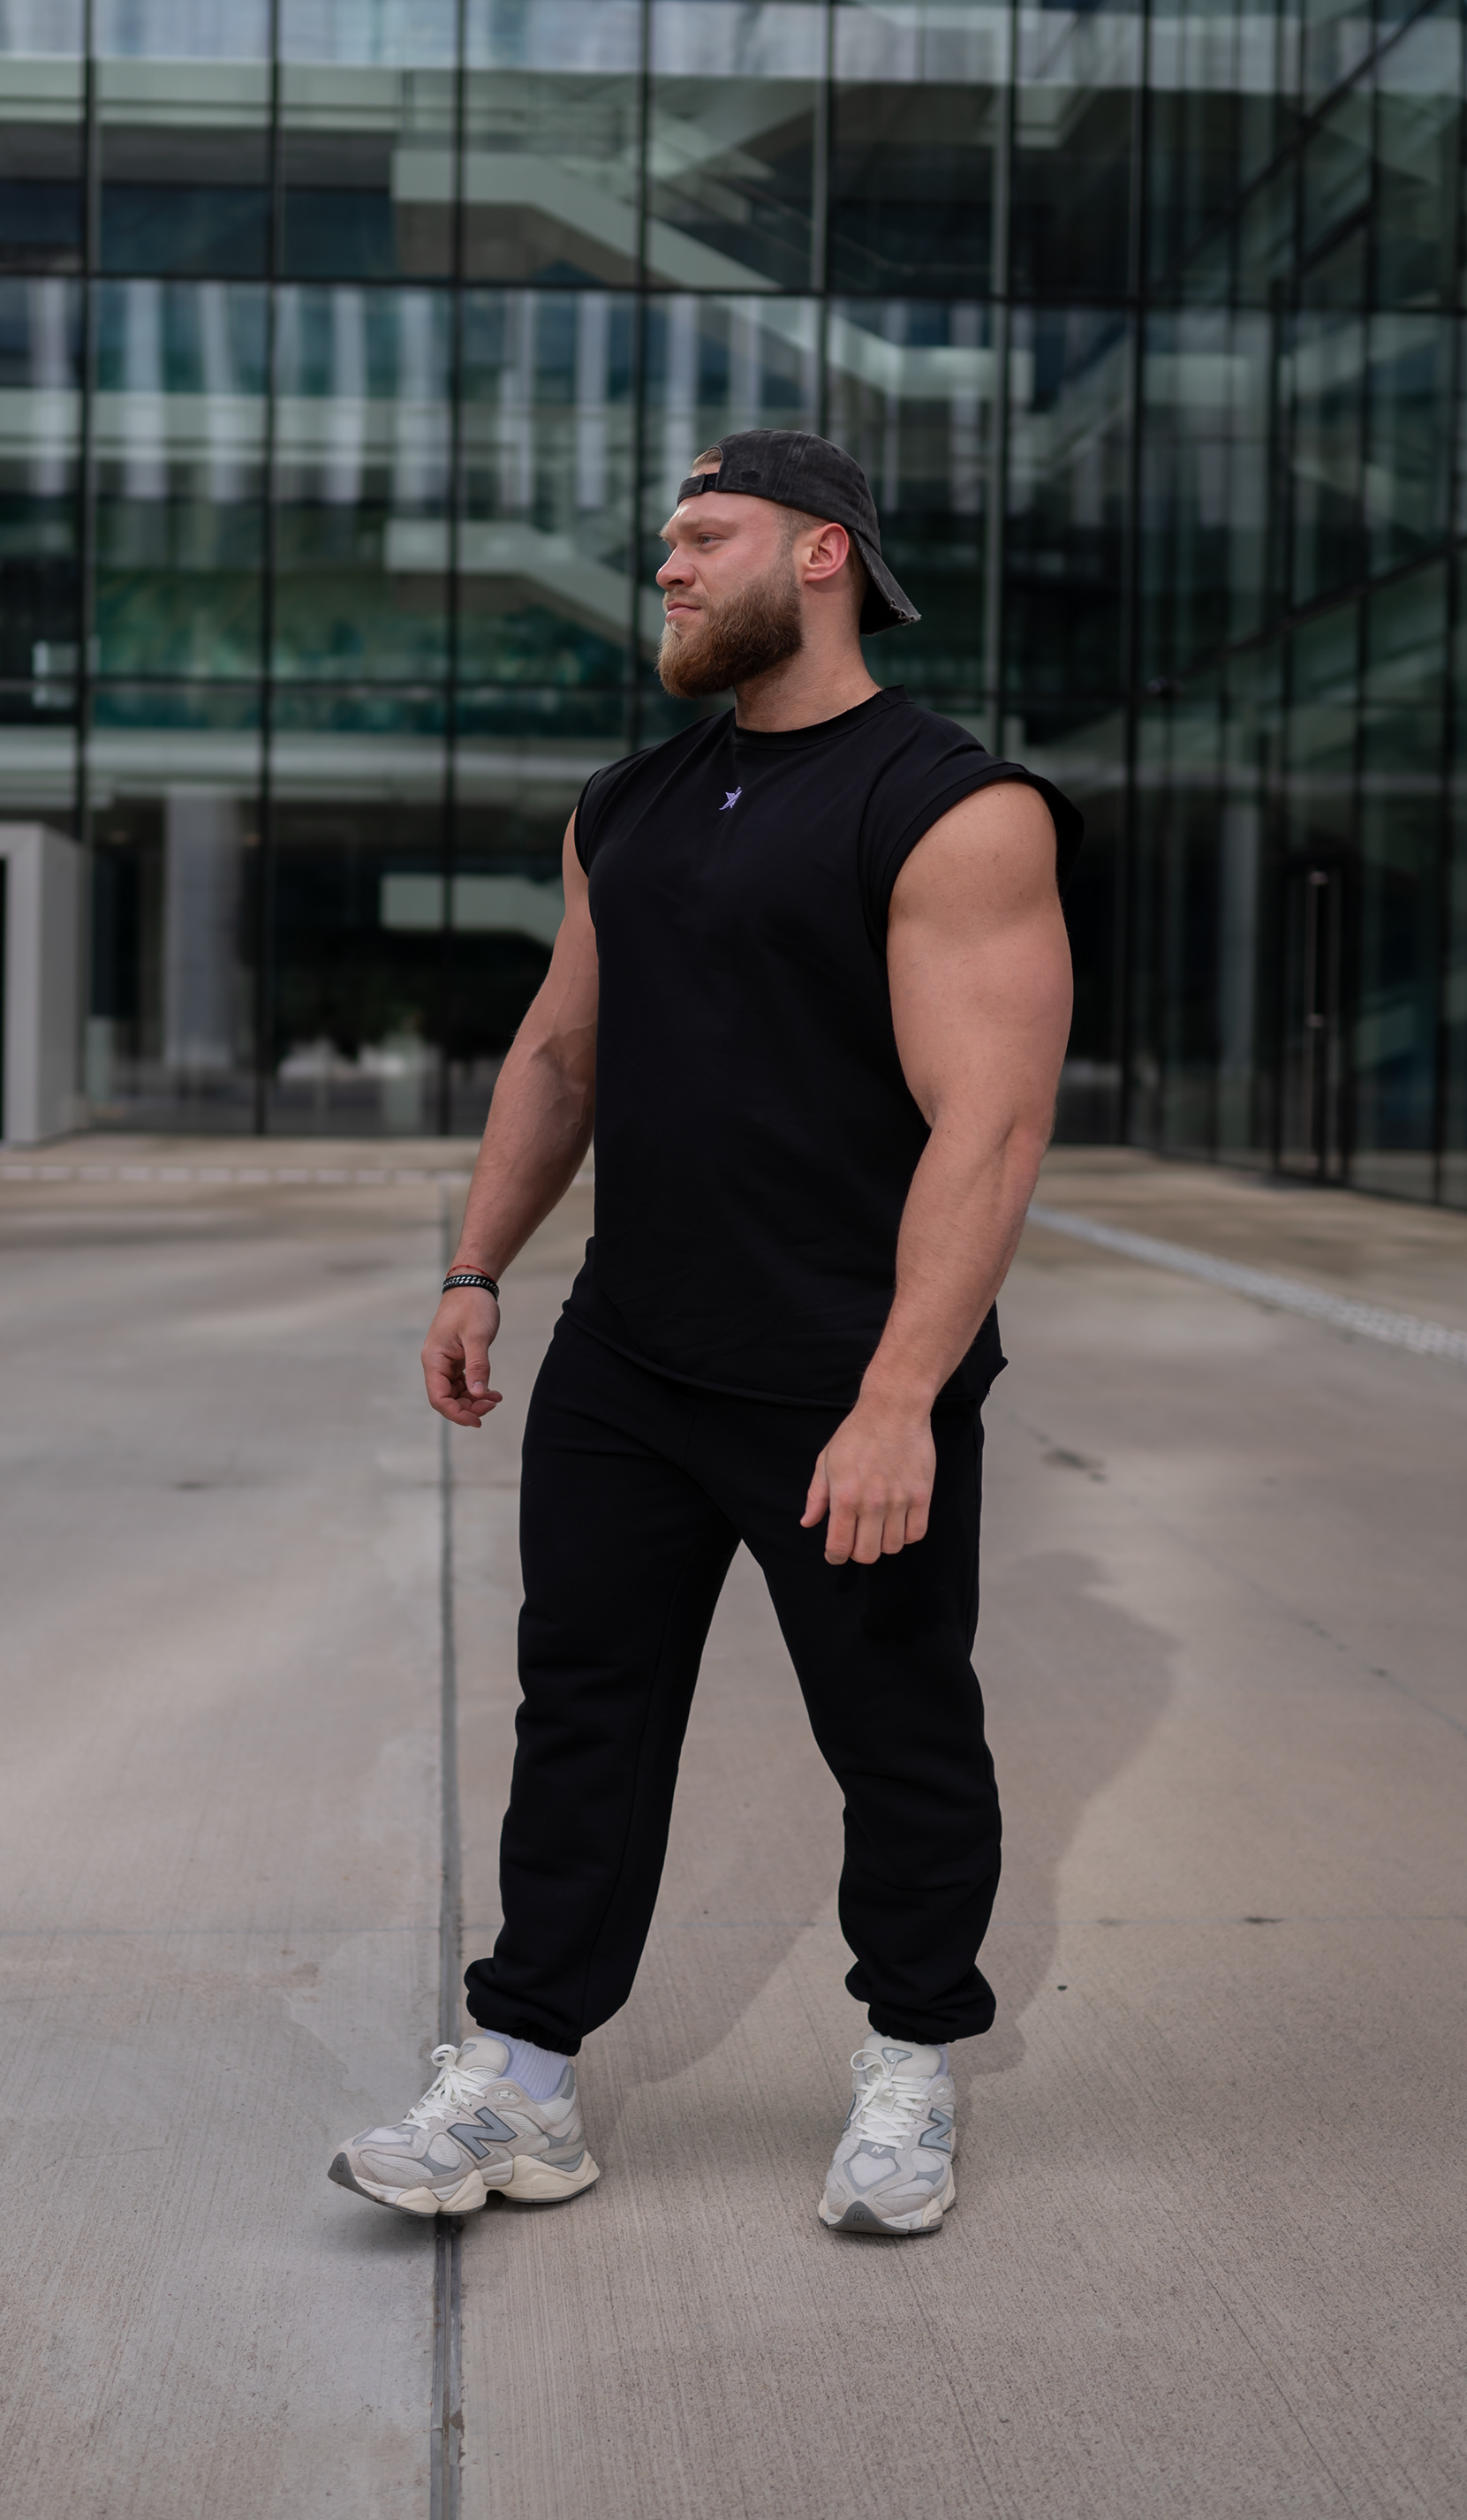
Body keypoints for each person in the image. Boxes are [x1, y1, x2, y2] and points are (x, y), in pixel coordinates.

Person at [329, 428, 1079, 2236]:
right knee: (582, 1711)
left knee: (898, 1730)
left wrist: (900, 1396)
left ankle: (912, 2061)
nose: (664, 565)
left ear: (821, 555)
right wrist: (476, 1266)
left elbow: (988, 1128)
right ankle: (524, 2074)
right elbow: (560, 1050)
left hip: (844, 1370)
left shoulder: (956, 807)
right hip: (632, 1356)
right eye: (665, 537)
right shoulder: (628, 803)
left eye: (703, 534)